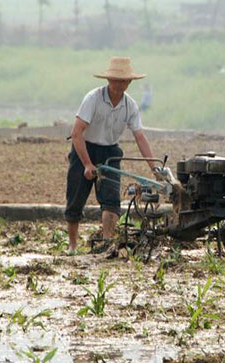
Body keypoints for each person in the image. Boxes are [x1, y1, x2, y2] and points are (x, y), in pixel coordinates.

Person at [65, 57, 157, 255]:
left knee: (111, 201)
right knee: (75, 199)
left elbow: (140, 137)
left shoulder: (130, 106)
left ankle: (108, 243)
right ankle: (72, 245)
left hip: (111, 152)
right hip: (85, 148)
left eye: (123, 81)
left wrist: (154, 167)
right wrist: (87, 164)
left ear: (129, 83)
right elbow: (76, 132)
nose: (118, 85)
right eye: (115, 80)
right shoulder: (93, 98)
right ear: (108, 80)